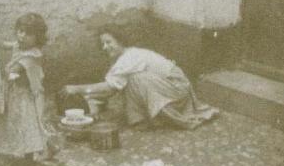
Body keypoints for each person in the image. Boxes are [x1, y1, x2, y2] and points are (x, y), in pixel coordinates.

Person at [63, 26, 219, 130]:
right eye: (102, 44)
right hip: (168, 86)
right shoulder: (122, 59)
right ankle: (142, 119)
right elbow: (111, 88)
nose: (105, 47)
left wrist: (77, 89)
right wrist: (91, 104)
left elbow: (110, 87)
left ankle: (156, 117)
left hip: (177, 87)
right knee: (132, 80)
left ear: (120, 41)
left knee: (137, 79)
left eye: (109, 42)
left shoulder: (130, 57)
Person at [0, 13, 55, 166]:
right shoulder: (19, 45)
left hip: (27, 95)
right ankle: (48, 146)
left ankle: (29, 159)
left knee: (29, 124)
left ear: (38, 38)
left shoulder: (31, 55)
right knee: (21, 123)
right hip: (17, 93)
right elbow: (5, 44)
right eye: (20, 30)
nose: (22, 36)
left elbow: (14, 70)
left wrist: (4, 76)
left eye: (28, 34)